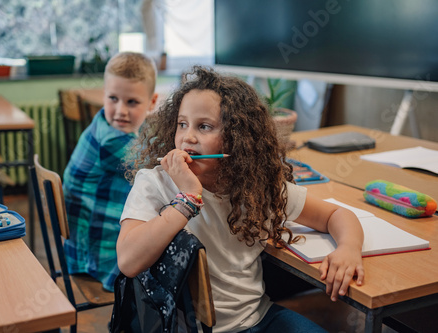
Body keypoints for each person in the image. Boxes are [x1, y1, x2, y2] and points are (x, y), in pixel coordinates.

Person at [116, 66, 365, 332]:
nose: (188, 137)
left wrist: (348, 248)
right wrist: (187, 199)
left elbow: (335, 215)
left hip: (259, 318)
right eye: (182, 124)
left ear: (237, 139)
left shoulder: (257, 187)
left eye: (204, 126)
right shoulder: (155, 182)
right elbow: (129, 261)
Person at [63, 52, 158, 292]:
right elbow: (161, 172)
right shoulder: (111, 141)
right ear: (103, 96)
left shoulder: (104, 125)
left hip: (86, 244)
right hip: (97, 255)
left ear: (152, 102)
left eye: (132, 102)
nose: (120, 111)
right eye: (113, 99)